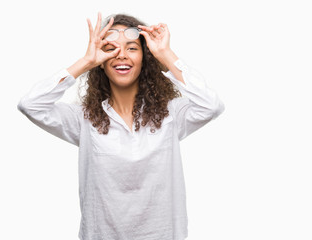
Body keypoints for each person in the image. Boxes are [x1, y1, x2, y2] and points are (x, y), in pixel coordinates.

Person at [18, 12, 224, 240]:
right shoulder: (83, 119)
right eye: (111, 49)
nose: (122, 56)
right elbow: (31, 105)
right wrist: (85, 62)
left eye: (132, 48)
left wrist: (166, 55)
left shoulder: (171, 114)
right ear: (101, 63)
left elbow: (211, 106)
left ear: (145, 59)